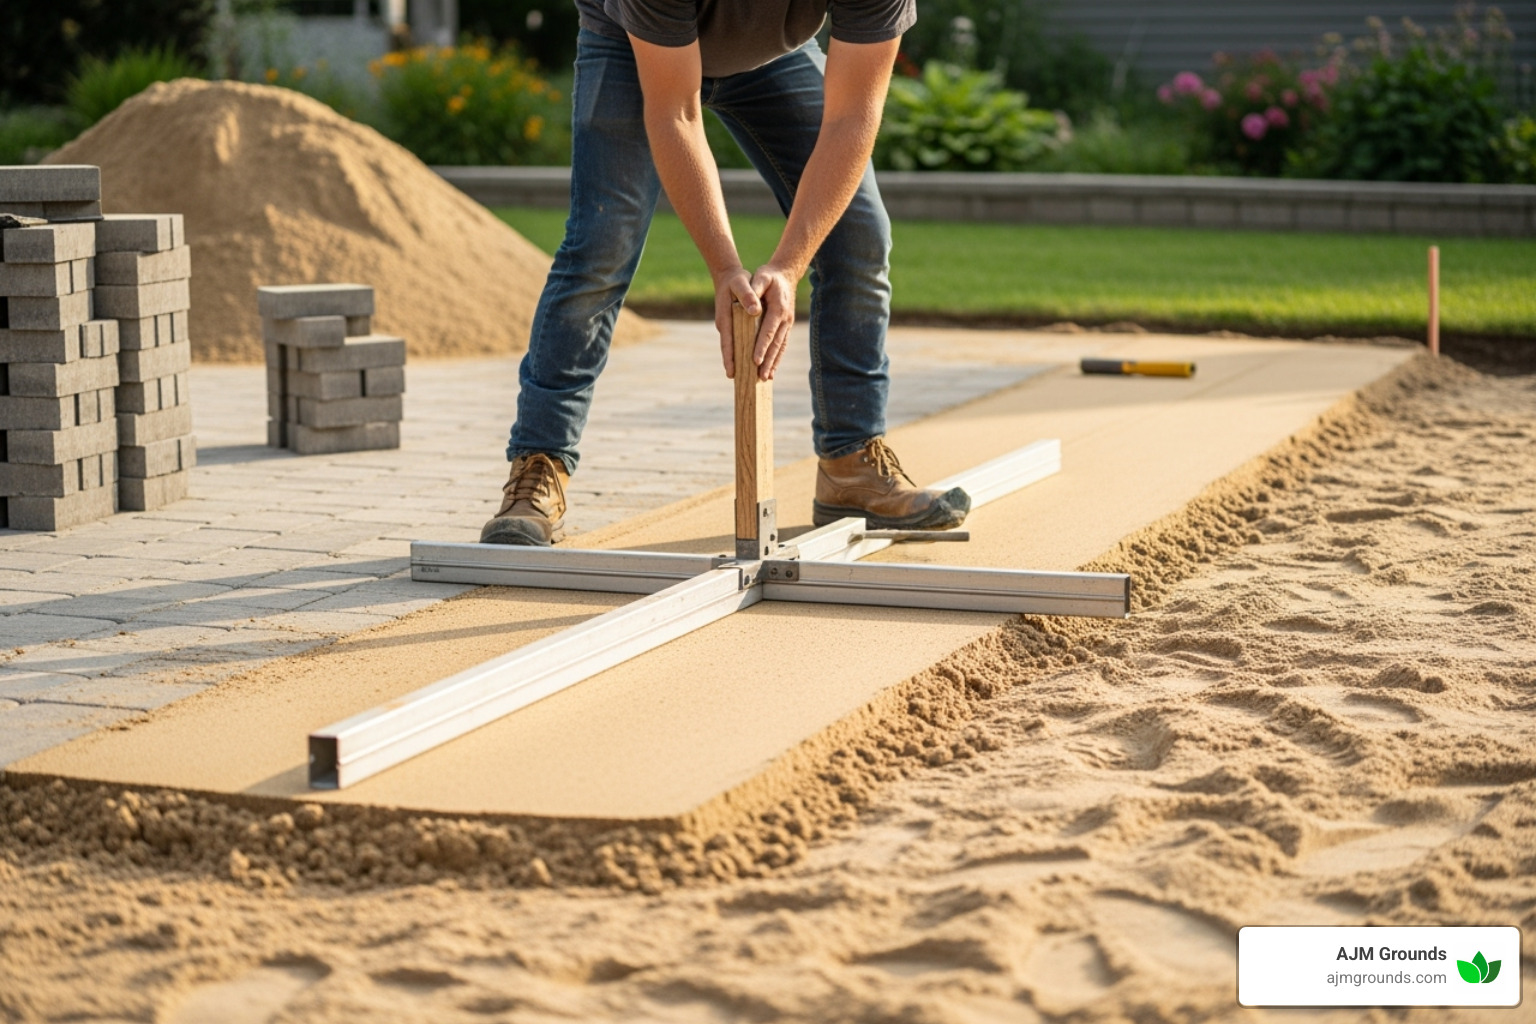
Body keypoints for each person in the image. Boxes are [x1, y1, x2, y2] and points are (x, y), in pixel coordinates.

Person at [481, 0, 972, 546]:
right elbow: (676, 113)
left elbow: (852, 117)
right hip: (630, 45)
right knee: (602, 244)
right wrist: (724, 266)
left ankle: (850, 465)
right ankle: (537, 471)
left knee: (858, 234)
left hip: (772, 59)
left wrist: (787, 264)